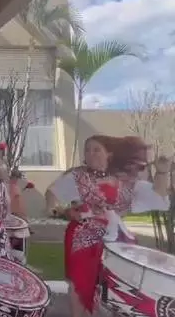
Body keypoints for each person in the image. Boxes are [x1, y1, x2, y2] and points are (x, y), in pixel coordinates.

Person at [45, 135, 171, 317]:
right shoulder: (78, 176)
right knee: (79, 284)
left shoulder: (126, 181)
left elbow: (159, 199)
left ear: (109, 154)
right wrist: (61, 210)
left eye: (96, 149)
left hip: (115, 241)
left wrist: (162, 172)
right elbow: (52, 193)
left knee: (113, 289)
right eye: (87, 150)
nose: (90, 154)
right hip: (82, 238)